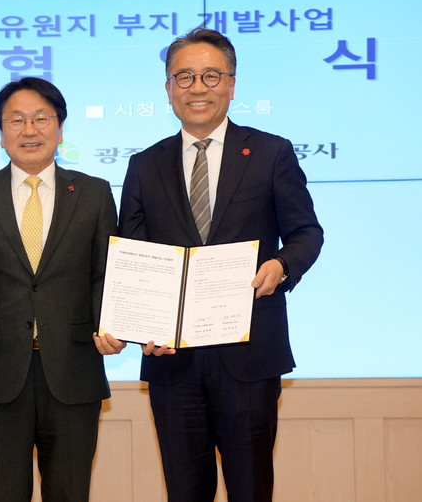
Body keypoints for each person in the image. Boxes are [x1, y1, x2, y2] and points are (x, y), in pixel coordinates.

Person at [118, 28, 324, 501]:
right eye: (184, 77)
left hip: (249, 356)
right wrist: (141, 324)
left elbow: (306, 233)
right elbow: (132, 252)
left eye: (211, 76)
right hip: (172, 360)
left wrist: (281, 265)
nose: (198, 87)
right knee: (184, 491)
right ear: (168, 88)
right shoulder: (144, 165)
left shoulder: (270, 152)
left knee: (250, 488)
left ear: (231, 85)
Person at [0, 76, 124, 502]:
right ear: (1, 133)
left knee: (70, 493)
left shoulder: (93, 193)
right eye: (16, 120)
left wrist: (113, 323)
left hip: (73, 370)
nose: (29, 130)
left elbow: (105, 276)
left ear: (60, 129)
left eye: (41, 118)